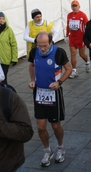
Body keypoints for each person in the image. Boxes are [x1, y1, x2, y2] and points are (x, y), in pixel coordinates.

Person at [28, 32, 72, 167]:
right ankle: (47, 150)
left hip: (54, 94)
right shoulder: (34, 51)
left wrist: (59, 83)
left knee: (55, 125)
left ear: (51, 42)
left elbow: (68, 69)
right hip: (39, 92)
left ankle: (60, 147)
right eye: (40, 45)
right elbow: (31, 65)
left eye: (45, 46)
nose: (42, 48)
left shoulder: (59, 52)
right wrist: (32, 80)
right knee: (40, 127)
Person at [65, 0, 90, 79]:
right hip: (72, 37)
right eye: (73, 6)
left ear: (79, 6)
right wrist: (66, 35)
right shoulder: (69, 15)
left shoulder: (83, 15)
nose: (74, 8)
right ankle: (74, 70)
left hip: (81, 38)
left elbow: (88, 25)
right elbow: (68, 26)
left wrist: (88, 35)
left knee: (81, 54)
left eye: (76, 6)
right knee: (73, 54)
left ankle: (87, 62)